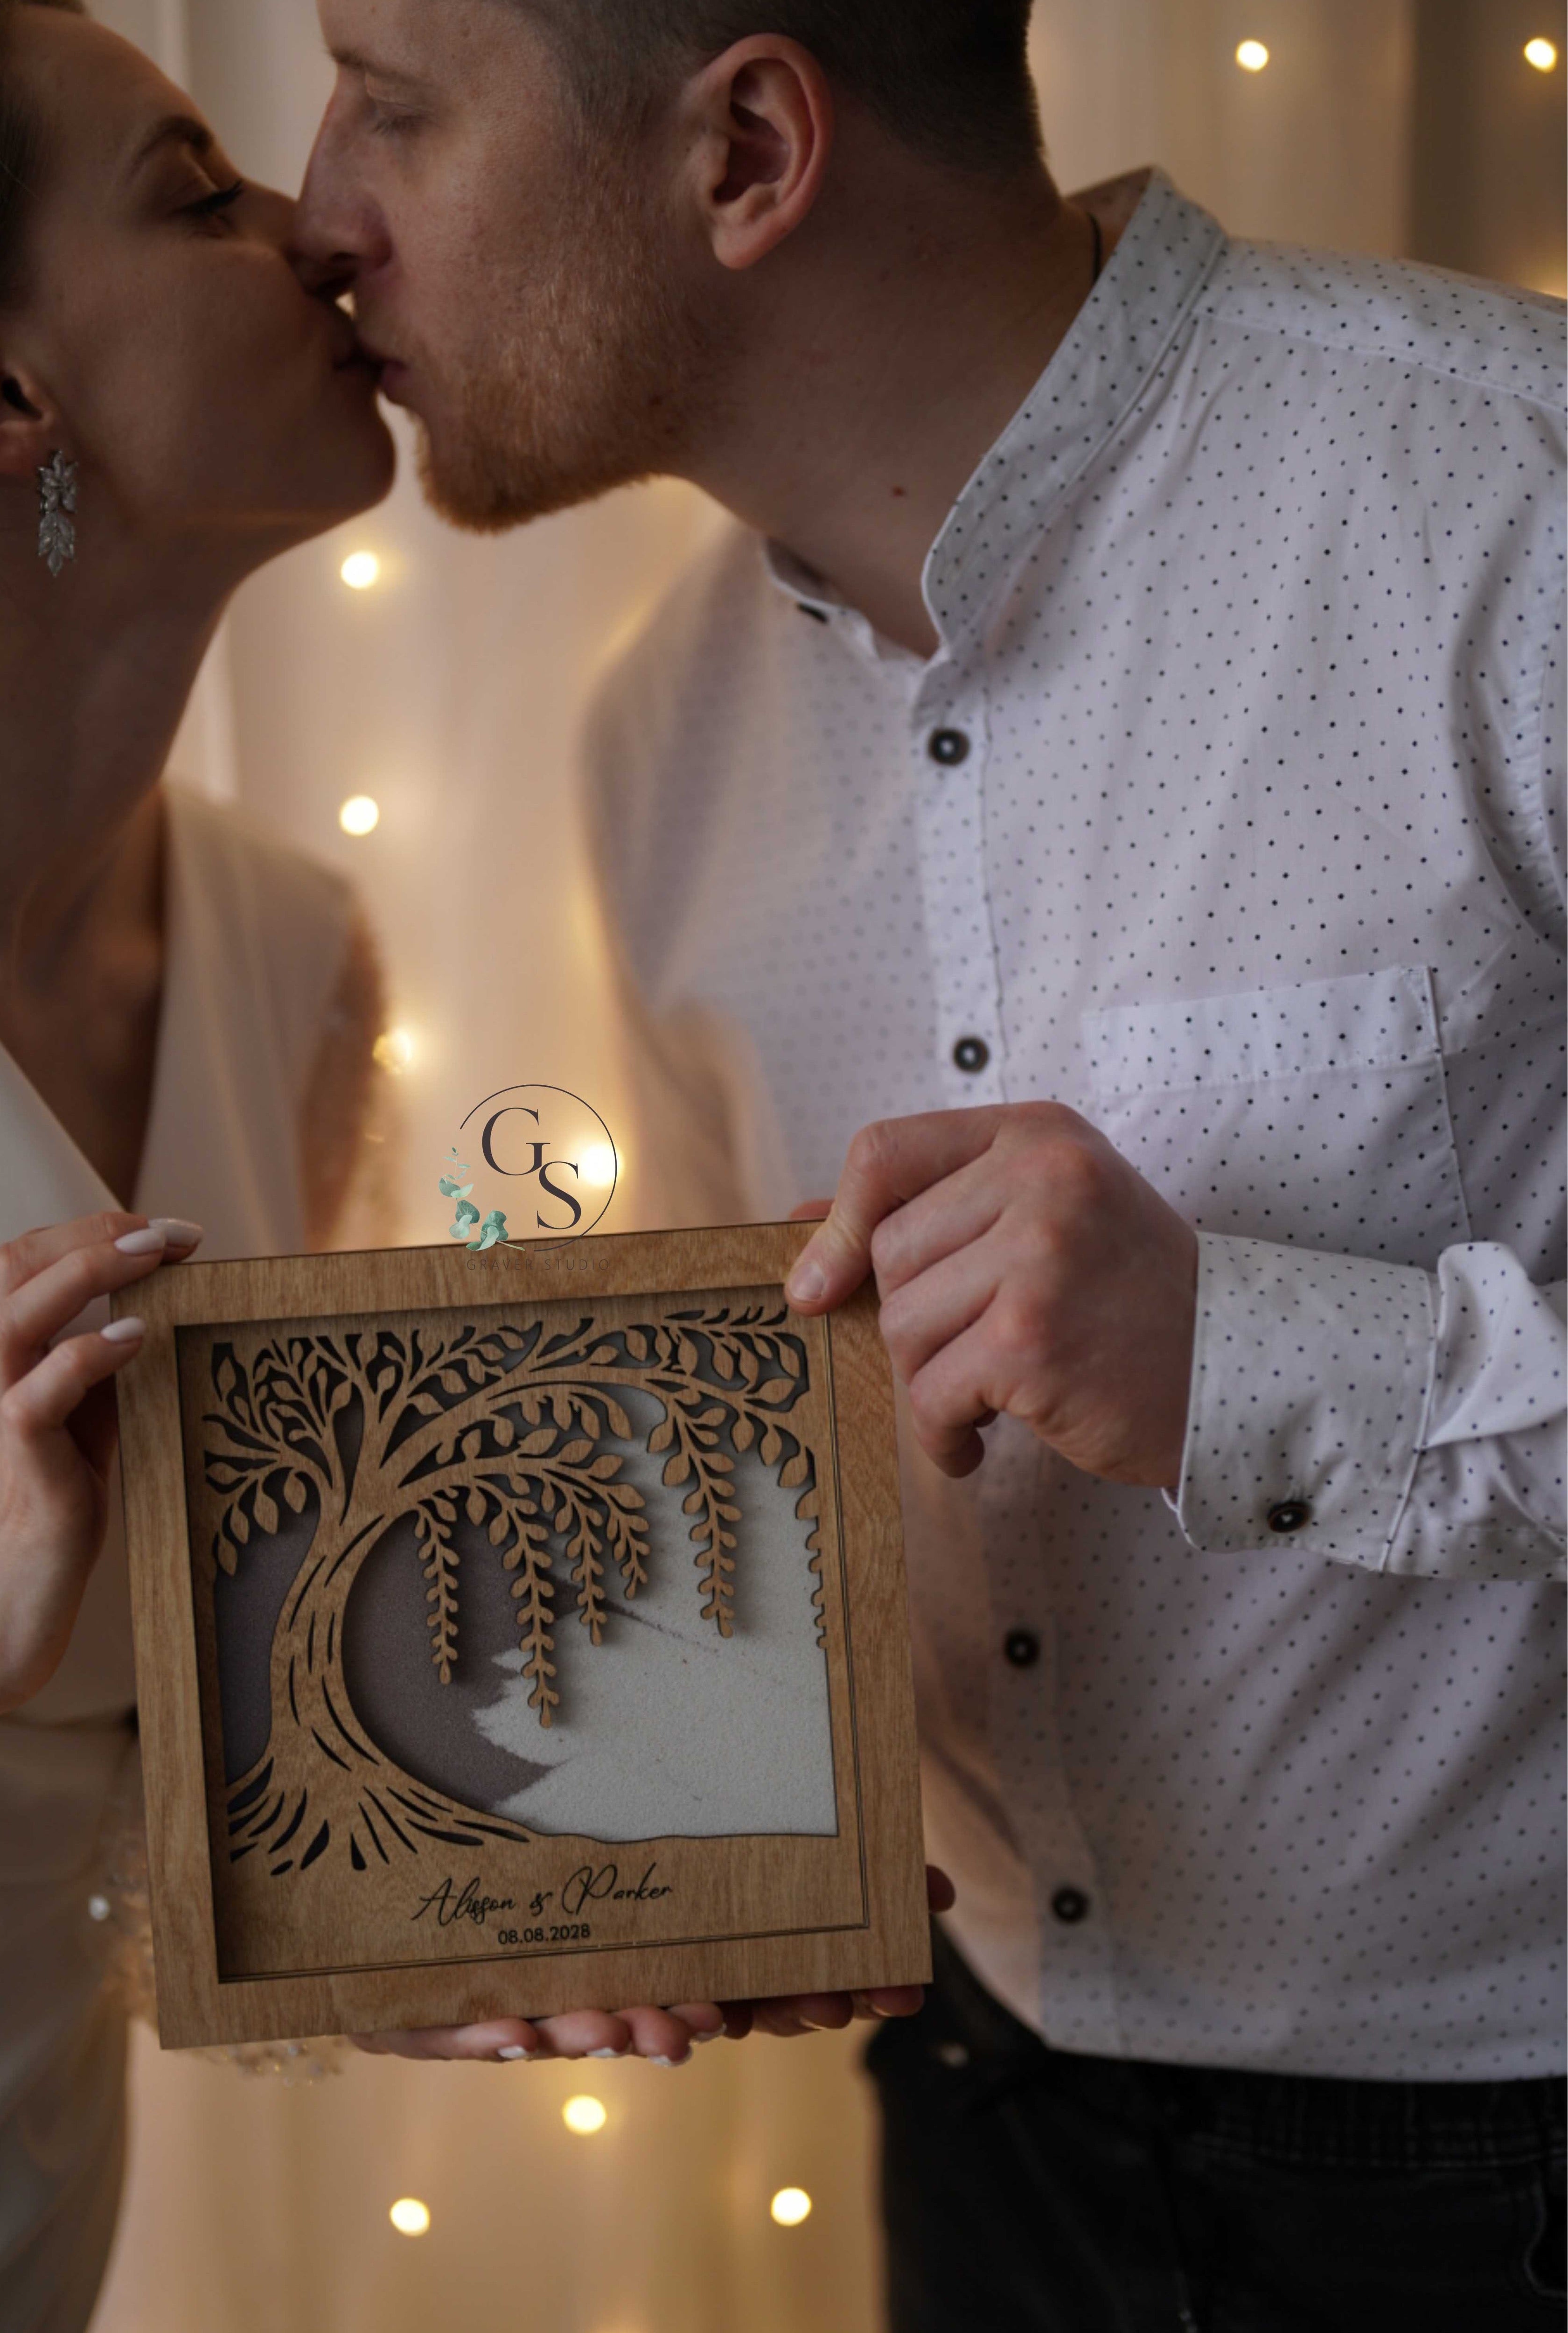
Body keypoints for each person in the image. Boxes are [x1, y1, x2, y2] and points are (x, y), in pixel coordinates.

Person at [293, 0, 1568, 2323]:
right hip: (988, 2149)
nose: (319, 214)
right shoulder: (648, 751)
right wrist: (553, 1866)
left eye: (390, 104)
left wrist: (1250, 1357)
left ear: (748, 151)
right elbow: (810, 1500)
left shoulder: (1516, 510)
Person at [0, 6, 740, 2327]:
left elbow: (165, 1767)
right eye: (197, 192)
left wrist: (375, 1934)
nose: (322, 231)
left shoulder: (300, 954)